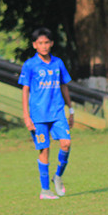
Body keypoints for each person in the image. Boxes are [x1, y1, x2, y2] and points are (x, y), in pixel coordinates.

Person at [19, 28, 74, 200]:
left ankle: (57, 176)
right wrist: (26, 116)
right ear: (35, 45)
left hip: (57, 112)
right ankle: (45, 190)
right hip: (38, 115)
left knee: (66, 143)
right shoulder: (30, 65)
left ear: (51, 44)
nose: (44, 46)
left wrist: (70, 109)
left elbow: (64, 86)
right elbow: (25, 91)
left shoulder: (58, 63)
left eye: (46, 42)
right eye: (40, 43)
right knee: (44, 150)